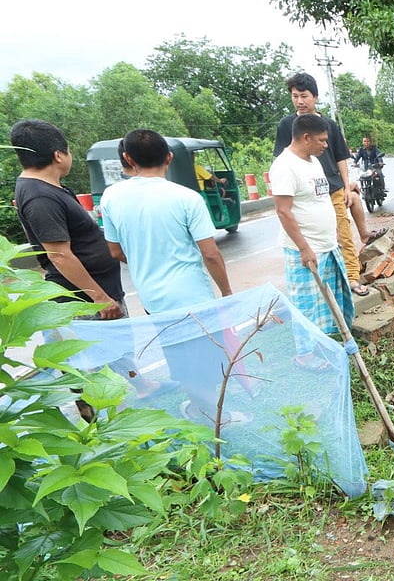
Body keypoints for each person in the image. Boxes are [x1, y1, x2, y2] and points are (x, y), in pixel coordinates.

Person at [101, 129, 237, 424]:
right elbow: (210, 253)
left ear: (128, 158)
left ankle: (198, 409)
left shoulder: (112, 197)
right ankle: (216, 419)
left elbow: (115, 251)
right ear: (169, 157)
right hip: (193, 298)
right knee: (207, 361)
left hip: (154, 299)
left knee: (180, 358)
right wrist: (227, 293)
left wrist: (142, 259)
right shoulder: (186, 198)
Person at [274, 73, 377, 295]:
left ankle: (352, 277)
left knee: (342, 234)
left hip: (332, 187)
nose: (299, 101)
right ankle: (323, 283)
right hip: (303, 193)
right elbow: (281, 157)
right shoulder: (287, 125)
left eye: (304, 96)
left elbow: (341, 156)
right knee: (311, 240)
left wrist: (347, 186)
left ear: (315, 98)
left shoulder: (329, 124)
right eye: (295, 96)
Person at [11, 120, 124, 318]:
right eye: (68, 150)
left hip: (98, 294)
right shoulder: (40, 196)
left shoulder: (46, 189)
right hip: (87, 304)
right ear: (58, 155)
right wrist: (99, 297)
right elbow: (58, 255)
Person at [270, 112, 355, 370]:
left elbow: (320, 200)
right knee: (306, 304)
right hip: (306, 250)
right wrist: (304, 248)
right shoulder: (284, 166)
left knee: (329, 299)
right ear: (305, 137)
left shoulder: (313, 161)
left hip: (327, 245)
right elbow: (283, 211)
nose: (325, 145)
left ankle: (325, 341)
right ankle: (304, 354)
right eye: (322, 140)